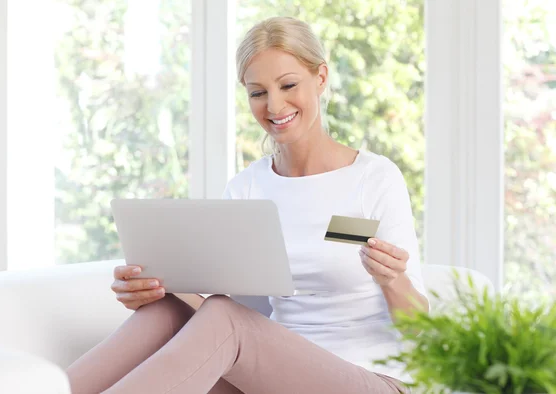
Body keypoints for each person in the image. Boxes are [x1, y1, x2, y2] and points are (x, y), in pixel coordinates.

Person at [66, 16, 429, 394]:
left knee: (224, 318)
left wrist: (393, 280)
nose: (274, 105)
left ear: (320, 78)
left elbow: (424, 333)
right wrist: (155, 285)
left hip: (373, 379)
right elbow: (242, 310)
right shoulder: (248, 188)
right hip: (272, 378)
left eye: (288, 85)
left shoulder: (374, 178)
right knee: (167, 311)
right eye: (258, 93)